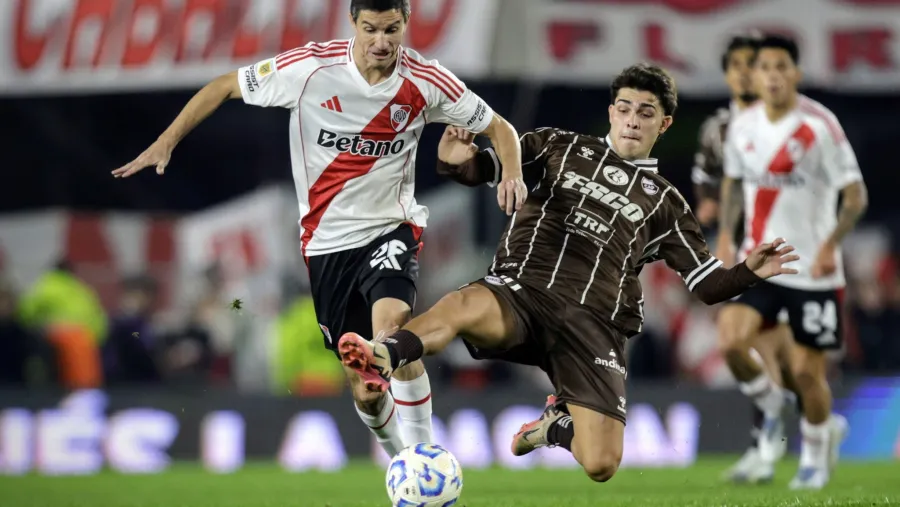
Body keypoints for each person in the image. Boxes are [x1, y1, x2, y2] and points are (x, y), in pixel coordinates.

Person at [337, 63, 799, 483]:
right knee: (462, 303)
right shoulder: (557, 146)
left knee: (601, 464)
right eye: (624, 108)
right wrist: (457, 159)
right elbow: (479, 170)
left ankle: (555, 427)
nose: (633, 120)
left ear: (665, 123)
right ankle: (384, 355)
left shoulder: (666, 202)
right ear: (611, 112)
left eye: (645, 112)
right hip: (520, 292)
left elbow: (708, 286)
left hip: (594, 327)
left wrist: (749, 271)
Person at [112, 0, 526, 458]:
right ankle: (398, 460)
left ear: (406, 23)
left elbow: (500, 128)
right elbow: (224, 86)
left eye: (392, 29)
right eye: (371, 29)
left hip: (391, 227)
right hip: (326, 244)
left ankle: (425, 456)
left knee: (393, 331)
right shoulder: (310, 68)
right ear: (353, 23)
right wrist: (165, 142)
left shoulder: (427, 81)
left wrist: (511, 174)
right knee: (365, 388)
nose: (381, 42)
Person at [716, 34, 866, 490]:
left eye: (783, 67)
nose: (774, 75)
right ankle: (773, 402)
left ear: (796, 74)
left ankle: (816, 459)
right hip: (759, 262)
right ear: (755, 76)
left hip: (811, 270)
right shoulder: (742, 127)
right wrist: (726, 234)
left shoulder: (819, 124)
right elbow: (732, 182)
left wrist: (829, 245)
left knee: (806, 371)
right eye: (766, 68)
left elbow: (855, 196)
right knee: (731, 343)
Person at [693, 34, 801, 484]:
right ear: (727, 72)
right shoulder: (717, 129)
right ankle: (771, 443)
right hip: (742, 252)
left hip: (785, 248)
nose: (743, 72)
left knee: (769, 353)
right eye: (735, 64)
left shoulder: (790, 123)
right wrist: (710, 210)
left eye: (750, 64)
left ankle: (776, 443)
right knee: (744, 345)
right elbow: (707, 179)